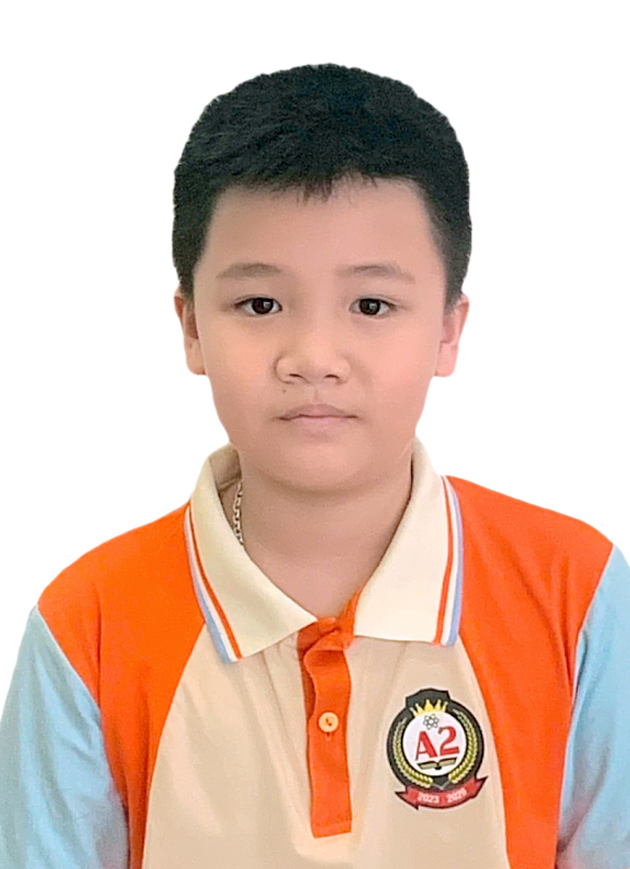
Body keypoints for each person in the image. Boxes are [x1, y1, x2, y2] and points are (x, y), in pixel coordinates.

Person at [0, 63, 628, 869]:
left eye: (372, 305)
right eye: (260, 304)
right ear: (191, 327)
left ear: (448, 328)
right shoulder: (87, 626)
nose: (314, 355)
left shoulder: (574, 593)